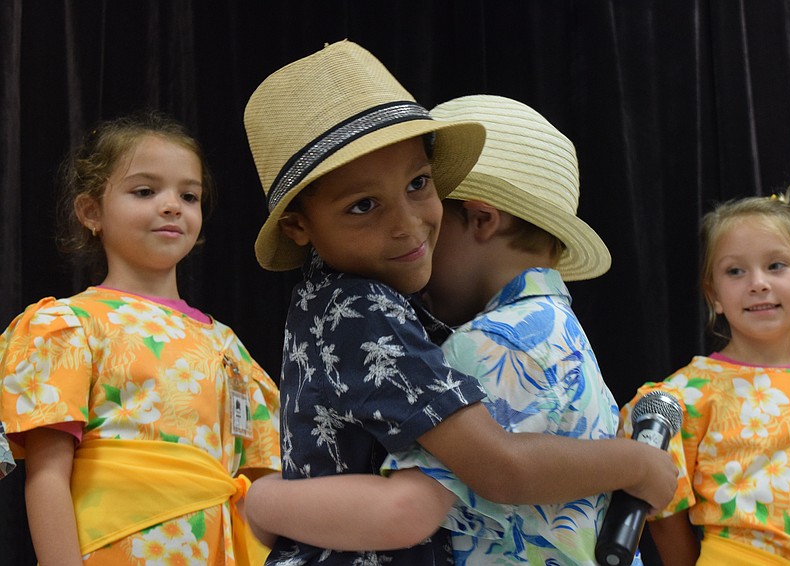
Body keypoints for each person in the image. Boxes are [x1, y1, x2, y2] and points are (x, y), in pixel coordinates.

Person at [243, 41, 676, 566]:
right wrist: (259, 499)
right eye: (363, 205)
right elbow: (483, 475)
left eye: (419, 184)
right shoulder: (367, 314)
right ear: (298, 225)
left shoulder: (337, 304)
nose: (407, 224)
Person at [0, 110, 282, 565]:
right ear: (91, 212)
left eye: (189, 195)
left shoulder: (228, 344)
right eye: (145, 191)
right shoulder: (69, 324)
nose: (172, 205)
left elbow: (259, 480)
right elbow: (48, 474)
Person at [621, 190, 790, 565]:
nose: (758, 282)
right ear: (714, 296)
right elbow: (663, 511)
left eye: (776, 265)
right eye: (735, 271)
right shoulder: (685, 394)